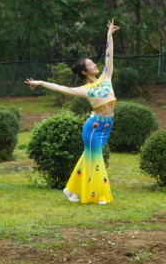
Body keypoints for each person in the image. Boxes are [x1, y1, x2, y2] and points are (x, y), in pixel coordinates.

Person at [26, 20, 120, 205]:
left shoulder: (106, 77)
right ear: (85, 72)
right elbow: (61, 88)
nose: (95, 65)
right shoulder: (84, 89)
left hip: (107, 125)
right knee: (96, 159)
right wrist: (40, 82)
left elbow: (109, 55)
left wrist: (109, 34)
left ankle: (70, 190)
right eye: (91, 64)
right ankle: (99, 195)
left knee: (88, 158)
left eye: (94, 63)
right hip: (93, 127)